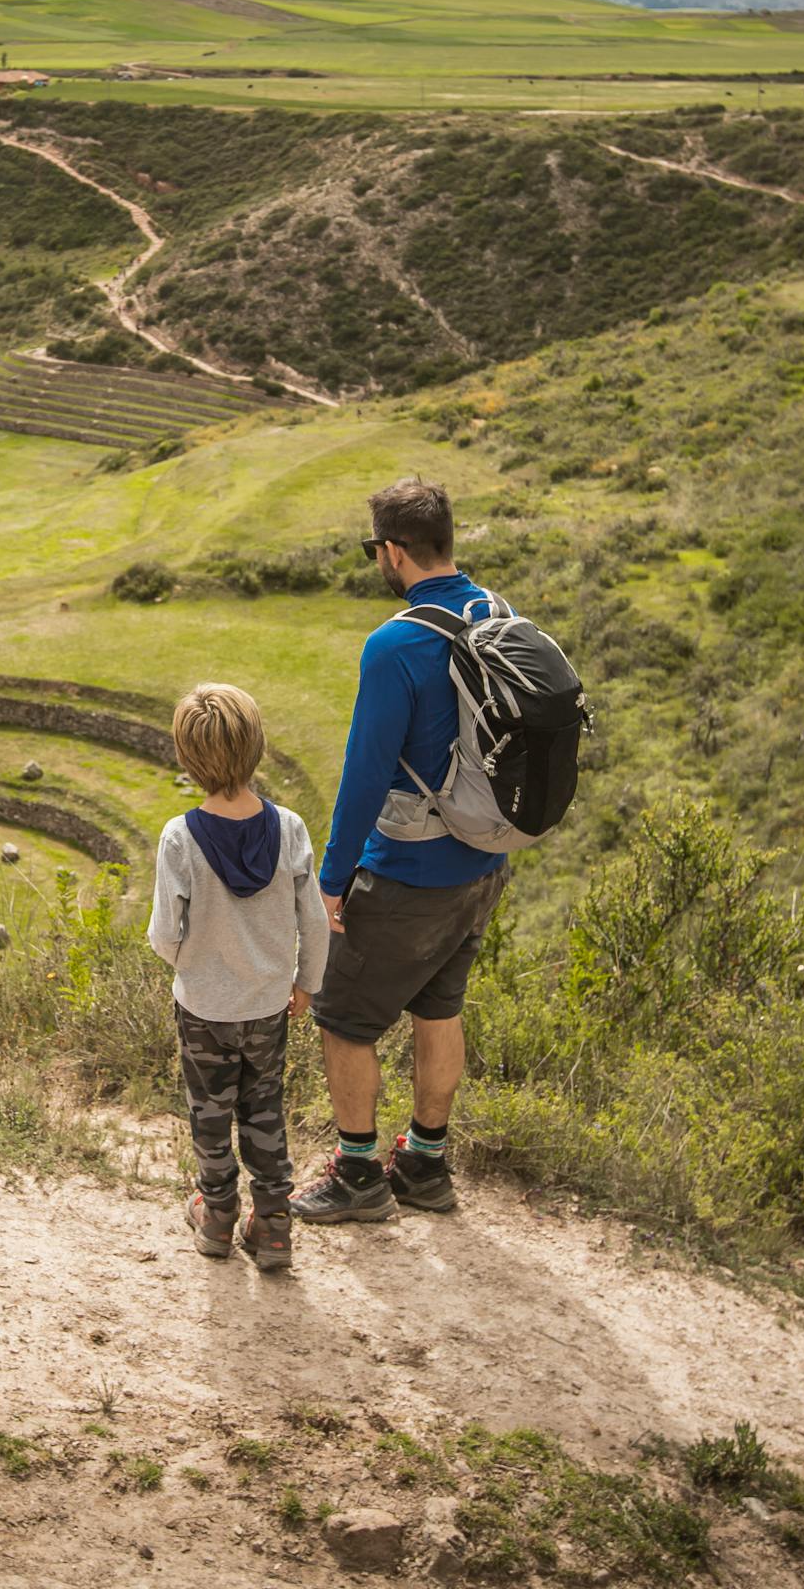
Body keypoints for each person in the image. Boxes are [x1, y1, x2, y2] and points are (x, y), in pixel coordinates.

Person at [292, 479, 512, 1227]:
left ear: (391, 550)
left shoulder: (396, 642)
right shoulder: (499, 614)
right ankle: (424, 1163)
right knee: (437, 1006)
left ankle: (358, 1175)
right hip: (484, 862)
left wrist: (332, 881)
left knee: (343, 1019)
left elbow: (365, 772)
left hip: (410, 870)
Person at [148, 683, 329, 1272]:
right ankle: (274, 1225)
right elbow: (315, 921)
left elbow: (163, 933)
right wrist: (306, 983)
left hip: (204, 1007)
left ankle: (218, 1217)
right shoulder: (292, 828)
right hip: (269, 1005)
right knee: (264, 1106)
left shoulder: (181, 837)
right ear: (257, 747)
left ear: (187, 758)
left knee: (210, 1110)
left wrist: (196, 968)